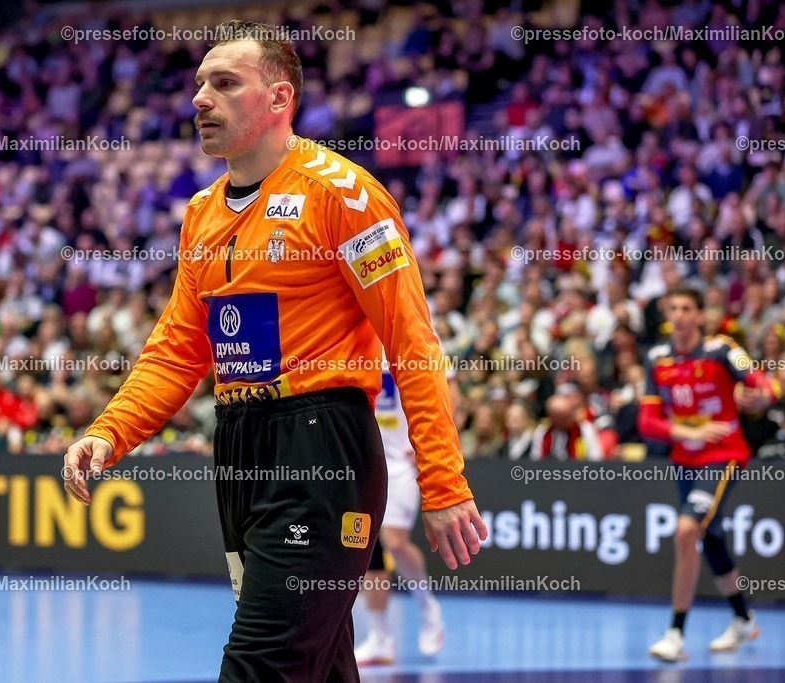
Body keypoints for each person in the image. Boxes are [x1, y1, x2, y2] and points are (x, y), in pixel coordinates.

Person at [62, 21, 486, 682]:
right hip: (240, 445)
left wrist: (442, 480)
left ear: (279, 98)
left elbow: (412, 343)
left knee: (261, 664)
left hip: (322, 448)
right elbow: (178, 350)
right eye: (199, 83)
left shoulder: (344, 195)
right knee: (317, 667)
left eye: (225, 83)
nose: (200, 98)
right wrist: (109, 431)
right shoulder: (201, 213)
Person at [639, 287, 774, 662]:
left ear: (700, 316)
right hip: (685, 458)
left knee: (686, 530)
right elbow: (647, 422)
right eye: (673, 309)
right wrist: (688, 432)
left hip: (723, 454)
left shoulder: (721, 350)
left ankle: (675, 634)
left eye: (686, 308)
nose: (679, 315)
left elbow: (762, 386)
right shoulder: (657, 358)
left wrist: (758, 397)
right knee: (710, 537)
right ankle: (743, 618)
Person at [354, 363, 445, 665]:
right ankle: (379, 638)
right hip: (364, 460)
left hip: (401, 463)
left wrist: (432, 447)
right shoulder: (355, 343)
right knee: (369, 549)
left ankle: (427, 606)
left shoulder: (416, 343)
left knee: (394, 541)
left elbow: (446, 397)